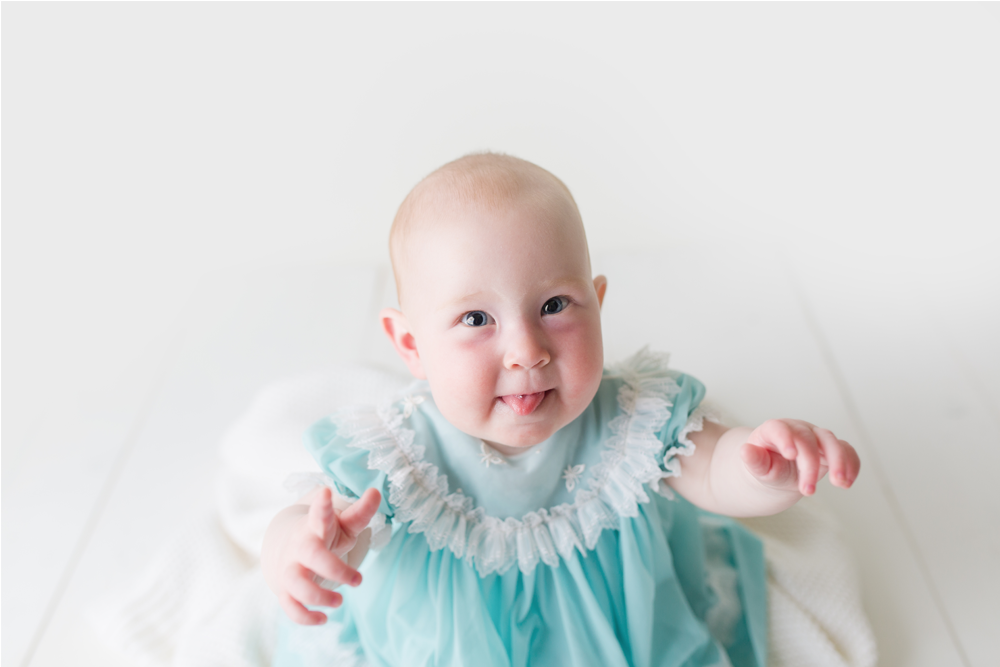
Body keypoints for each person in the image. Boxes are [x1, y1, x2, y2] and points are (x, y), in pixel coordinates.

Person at [261, 153, 861, 667]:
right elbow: (335, 522)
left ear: (596, 304)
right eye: (476, 319)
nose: (527, 351)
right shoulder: (398, 455)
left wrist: (762, 466)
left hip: (623, 640)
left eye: (554, 304)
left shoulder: (631, 419)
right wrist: (306, 547)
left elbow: (711, 471)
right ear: (412, 346)